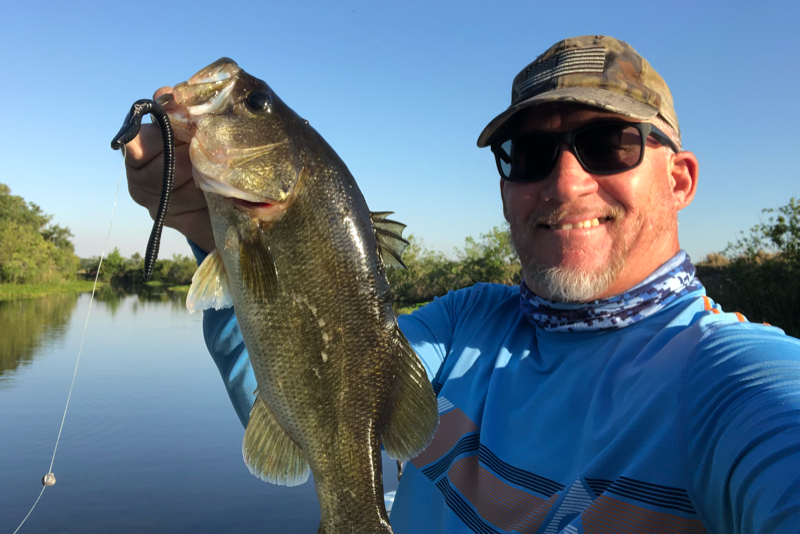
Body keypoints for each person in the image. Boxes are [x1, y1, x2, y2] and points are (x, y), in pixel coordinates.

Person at [124, 35, 800, 533]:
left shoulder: (732, 381)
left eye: (608, 143)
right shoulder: (465, 322)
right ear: (505, 190)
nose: (565, 182)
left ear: (679, 179)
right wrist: (208, 230)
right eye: (530, 154)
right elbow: (297, 390)